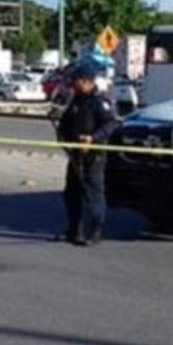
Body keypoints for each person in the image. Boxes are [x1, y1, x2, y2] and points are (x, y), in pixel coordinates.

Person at [55, 62, 118, 246]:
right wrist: (64, 136)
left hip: (94, 156)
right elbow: (66, 123)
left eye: (76, 81)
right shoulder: (76, 100)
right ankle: (75, 229)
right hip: (76, 154)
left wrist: (92, 139)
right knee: (72, 193)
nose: (73, 84)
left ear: (86, 81)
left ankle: (94, 230)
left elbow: (110, 124)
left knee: (92, 193)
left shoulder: (100, 101)